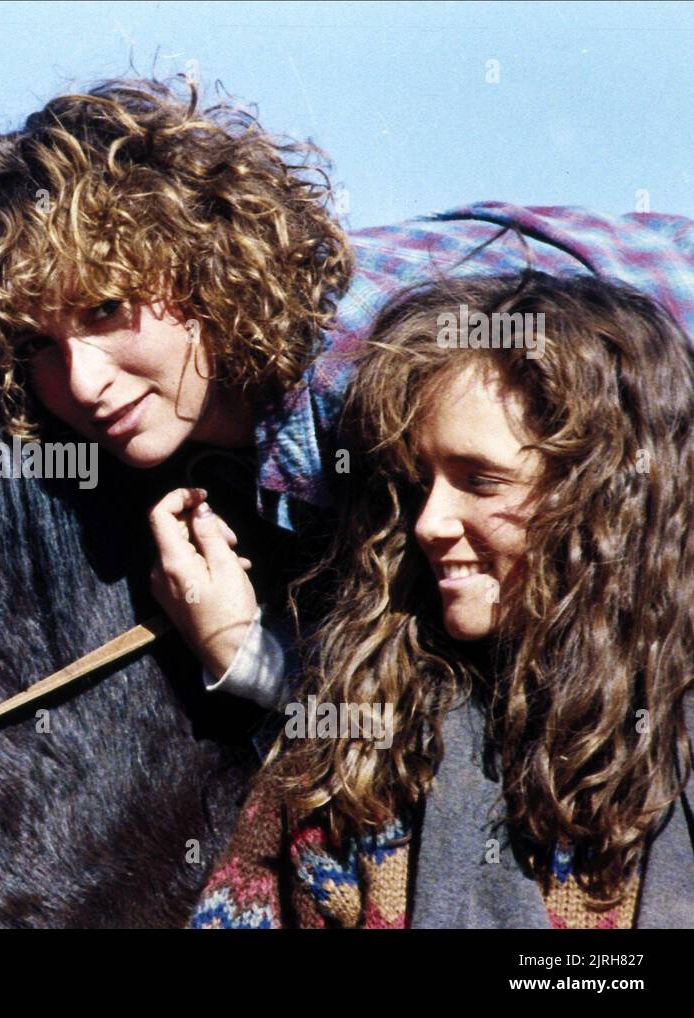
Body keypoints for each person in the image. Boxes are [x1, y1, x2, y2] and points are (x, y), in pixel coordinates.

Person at [0, 76, 694, 723]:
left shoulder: (381, 382)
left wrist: (247, 656)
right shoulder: (260, 404)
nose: (83, 383)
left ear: (205, 265)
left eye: (106, 310)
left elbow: (524, 703)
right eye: (36, 346)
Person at [188, 271, 694, 928]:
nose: (428, 522)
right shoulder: (355, 771)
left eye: (480, 481)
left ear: (610, 502)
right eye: (417, 480)